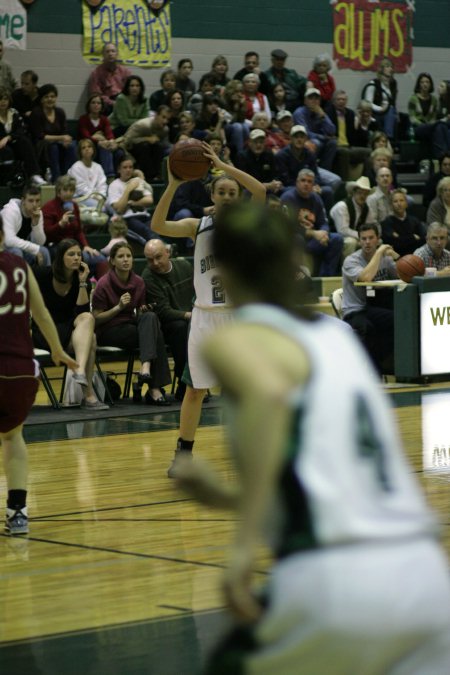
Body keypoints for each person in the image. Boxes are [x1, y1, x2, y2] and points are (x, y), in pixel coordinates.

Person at [174, 200, 450, 675]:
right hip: (424, 575)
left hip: (336, 579)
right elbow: (325, 475)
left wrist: (241, 551)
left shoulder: (237, 339)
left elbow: (266, 394)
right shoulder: (338, 334)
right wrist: (223, 496)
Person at [151, 142, 266, 476]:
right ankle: (182, 456)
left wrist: (223, 164)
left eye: (232, 192)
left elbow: (259, 192)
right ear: (212, 196)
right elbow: (158, 225)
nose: (229, 196)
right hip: (204, 316)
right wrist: (173, 184)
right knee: (195, 391)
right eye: (222, 192)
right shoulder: (196, 226)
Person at [0, 218, 77, 535]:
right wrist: (57, 350)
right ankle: (17, 513)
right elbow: (41, 312)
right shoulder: (19, 265)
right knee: (12, 437)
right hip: (20, 371)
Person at [32, 238, 109, 411]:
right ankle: (88, 395)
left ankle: (79, 371)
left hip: (67, 331)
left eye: (78, 254)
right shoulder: (43, 275)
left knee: (88, 319)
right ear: (61, 257)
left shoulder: (80, 278)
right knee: (92, 340)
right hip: (45, 333)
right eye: (71, 254)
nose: (76, 258)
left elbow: (80, 311)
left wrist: (82, 281)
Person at [91, 242, 172, 405]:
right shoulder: (103, 284)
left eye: (128, 256)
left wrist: (144, 309)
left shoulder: (139, 282)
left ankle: (146, 369)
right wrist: (118, 307)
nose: (125, 260)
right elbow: (96, 319)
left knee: (150, 317)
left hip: (130, 325)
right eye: (121, 256)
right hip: (109, 330)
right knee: (155, 334)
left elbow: (140, 312)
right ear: (112, 261)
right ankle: (153, 387)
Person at [142, 238, 194, 401]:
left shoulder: (185, 266)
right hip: (167, 324)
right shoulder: (148, 276)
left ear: (168, 253)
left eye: (158, 257)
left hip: (192, 318)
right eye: (150, 260)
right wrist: (188, 316)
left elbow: (198, 293)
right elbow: (163, 311)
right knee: (181, 328)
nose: (155, 263)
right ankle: (184, 382)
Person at [342, 223, 398, 372]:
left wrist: (396, 257)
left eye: (371, 238)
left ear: (377, 239)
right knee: (368, 328)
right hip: (354, 310)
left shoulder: (386, 259)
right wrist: (379, 253)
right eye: (363, 239)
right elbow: (366, 277)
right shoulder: (351, 261)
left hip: (372, 308)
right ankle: (370, 370)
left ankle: (380, 364)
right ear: (359, 241)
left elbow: (402, 275)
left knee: (399, 320)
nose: (367, 242)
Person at [281, 168, 343, 276]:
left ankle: (326, 278)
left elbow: (323, 222)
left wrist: (324, 233)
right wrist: (314, 233)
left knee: (337, 239)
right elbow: (288, 228)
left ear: (313, 184)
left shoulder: (316, 198)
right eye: (303, 180)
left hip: (313, 240)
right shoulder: (288, 198)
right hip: (296, 239)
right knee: (297, 239)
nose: (306, 184)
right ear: (297, 182)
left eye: (310, 182)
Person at [42, 174, 106, 274]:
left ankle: (98, 287)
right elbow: (46, 233)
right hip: (56, 246)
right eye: (66, 190)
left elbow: (78, 231)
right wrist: (60, 224)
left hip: (74, 245)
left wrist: (86, 246)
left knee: (100, 259)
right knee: (82, 257)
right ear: (59, 191)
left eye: (71, 190)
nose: (69, 193)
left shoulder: (74, 206)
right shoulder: (49, 207)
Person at [28, 84, 77, 182]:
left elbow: (65, 131)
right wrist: (62, 138)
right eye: (46, 97)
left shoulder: (60, 112)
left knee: (71, 146)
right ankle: (56, 178)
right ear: (41, 99)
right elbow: (41, 136)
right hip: (41, 144)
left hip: (59, 142)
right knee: (53, 147)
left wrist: (65, 140)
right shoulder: (36, 112)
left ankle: (68, 177)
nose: (50, 99)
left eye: (52, 96)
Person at [106, 154, 155, 244]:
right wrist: (128, 189)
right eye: (125, 167)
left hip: (144, 216)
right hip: (127, 219)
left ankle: (163, 247)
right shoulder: (114, 185)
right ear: (119, 170)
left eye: (130, 167)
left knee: (154, 227)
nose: (128, 170)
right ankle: (164, 247)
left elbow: (149, 200)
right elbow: (120, 209)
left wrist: (131, 203)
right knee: (145, 230)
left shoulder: (137, 181)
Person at [325, 89, 371, 180]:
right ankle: (344, 184)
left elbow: (356, 135)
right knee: (344, 153)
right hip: (335, 147)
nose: (341, 102)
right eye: (339, 99)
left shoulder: (350, 114)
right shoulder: (328, 112)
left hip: (349, 146)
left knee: (370, 152)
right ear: (333, 101)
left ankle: (366, 181)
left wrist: (363, 124)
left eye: (344, 99)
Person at [2, 183, 51, 267]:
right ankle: (19, 279)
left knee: (44, 251)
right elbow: (8, 240)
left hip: (21, 247)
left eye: (37, 200)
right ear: (23, 200)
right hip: (3, 247)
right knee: (16, 252)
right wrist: (35, 249)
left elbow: (40, 242)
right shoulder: (10, 211)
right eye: (31, 201)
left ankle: (45, 279)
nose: (35, 205)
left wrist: (35, 224)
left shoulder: (38, 213)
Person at [121, 105, 171, 183]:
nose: (165, 121)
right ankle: (148, 177)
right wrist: (146, 139)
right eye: (163, 117)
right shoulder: (142, 125)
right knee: (145, 146)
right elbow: (127, 141)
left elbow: (165, 145)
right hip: (130, 150)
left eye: (168, 119)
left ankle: (156, 176)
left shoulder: (165, 129)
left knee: (158, 146)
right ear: (156, 115)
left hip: (151, 150)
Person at [293, 88, 337, 172]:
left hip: (320, 139)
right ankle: (311, 170)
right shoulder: (299, 113)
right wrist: (323, 137)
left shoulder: (320, 112)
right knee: (316, 143)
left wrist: (323, 116)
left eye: (316, 98)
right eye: (311, 98)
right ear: (305, 101)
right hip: (305, 141)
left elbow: (332, 131)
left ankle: (325, 170)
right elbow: (305, 133)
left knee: (333, 143)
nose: (314, 101)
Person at [329, 175, 372, 257]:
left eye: (365, 194)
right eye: (360, 192)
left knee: (376, 241)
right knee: (351, 242)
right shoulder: (342, 206)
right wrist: (362, 236)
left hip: (354, 236)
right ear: (354, 192)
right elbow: (343, 231)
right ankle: (347, 268)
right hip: (334, 238)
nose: (362, 196)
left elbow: (371, 225)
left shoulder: (366, 208)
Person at [77, 93, 118, 178]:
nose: (96, 105)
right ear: (89, 105)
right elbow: (86, 136)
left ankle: (109, 177)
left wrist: (110, 141)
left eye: (98, 103)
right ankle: (109, 175)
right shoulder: (83, 119)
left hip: (101, 145)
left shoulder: (104, 119)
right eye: (93, 102)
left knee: (108, 147)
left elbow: (109, 134)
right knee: (102, 145)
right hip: (87, 144)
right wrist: (99, 141)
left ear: (102, 106)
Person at [408, 72, 445, 158]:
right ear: (419, 84)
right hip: (417, 127)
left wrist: (430, 124)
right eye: (422, 82)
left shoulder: (434, 100)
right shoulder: (413, 99)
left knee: (439, 129)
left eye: (427, 82)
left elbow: (433, 117)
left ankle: (441, 155)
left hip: (430, 126)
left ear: (430, 84)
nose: (425, 84)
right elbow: (412, 118)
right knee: (439, 125)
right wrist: (425, 125)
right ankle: (442, 155)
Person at [88, 42, 132, 114]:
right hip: (106, 105)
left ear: (117, 54)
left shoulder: (125, 72)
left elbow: (131, 91)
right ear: (103, 55)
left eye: (113, 51)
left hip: (123, 102)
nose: (110, 54)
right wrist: (112, 103)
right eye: (107, 51)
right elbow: (96, 95)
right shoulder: (96, 73)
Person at [235, 128, 282, 194]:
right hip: (249, 190)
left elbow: (275, 174)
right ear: (250, 143)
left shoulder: (269, 154)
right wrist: (266, 186)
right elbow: (243, 182)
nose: (258, 145)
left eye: (261, 142)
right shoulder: (242, 156)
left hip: (268, 189)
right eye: (255, 142)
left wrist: (277, 183)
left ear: (265, 143)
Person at [381, 189, 426, 257]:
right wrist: (413, 237)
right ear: (391, 205)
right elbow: (396, 244)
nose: (399, 204)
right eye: (395, 201)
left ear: (406, 203)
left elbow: (423, 240)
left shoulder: (415, 221)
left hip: (415, 256)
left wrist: (401, 238)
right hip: (396, 259)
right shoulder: (386, 223)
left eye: (401, 200)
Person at [362, 58, 398, 140]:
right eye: (387, 66)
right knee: (389, 111)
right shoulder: (374, 83)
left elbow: (392, 102)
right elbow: (368, 103)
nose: (390, 69)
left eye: (391, 67)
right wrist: (380, 108)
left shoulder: (393, 83)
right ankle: (387, 138)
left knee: (391, 110)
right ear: (382, 69)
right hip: (375, 112)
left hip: (389, 111)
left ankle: (388, 139)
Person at [68, 138, 108, 205]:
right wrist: (95, 197)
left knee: (110, 204)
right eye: (83, 148)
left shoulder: (98, 167)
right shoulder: (76, 167)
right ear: (80, 152)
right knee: (102, 208)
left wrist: (101, 197)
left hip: (97, 197)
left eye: (89, 146)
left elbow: (102, 185)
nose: (87, 149)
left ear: (93, 150)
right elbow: (81, 189)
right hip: (80, 198)